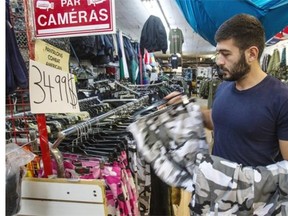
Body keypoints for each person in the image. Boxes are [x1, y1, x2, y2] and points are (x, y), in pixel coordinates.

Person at [166, 13, 288, 167]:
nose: (219, 61)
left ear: (251, 54)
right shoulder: (224, 87)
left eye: (226, 54)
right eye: (218, 53)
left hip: (253, 190)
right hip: (215, 186)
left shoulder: (281, 98)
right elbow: (218, 121)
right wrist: (187, 108)